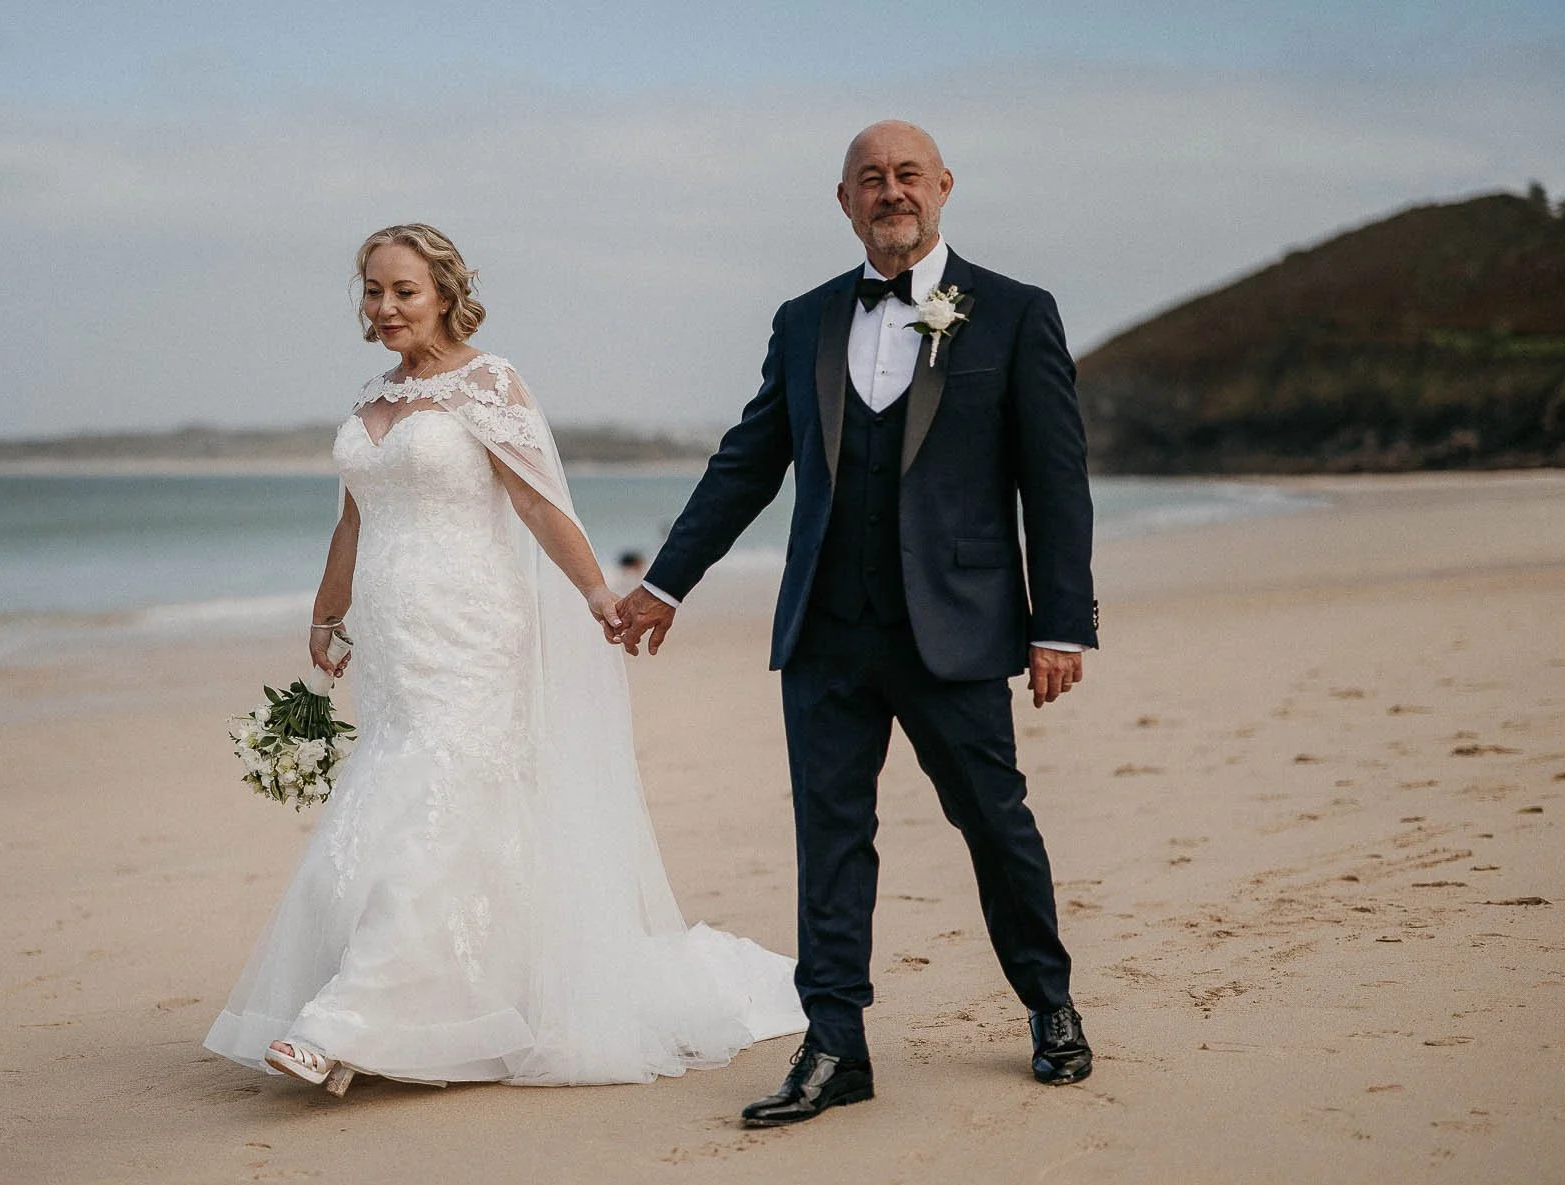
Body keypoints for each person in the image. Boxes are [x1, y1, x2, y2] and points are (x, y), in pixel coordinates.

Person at [204, 223, 804, 1094]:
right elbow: (352, 519)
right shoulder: (373, 395)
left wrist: (601, 592)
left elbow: (536, 500)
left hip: (473, 630)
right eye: (373, 290)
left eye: (404, 290)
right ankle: (424, 1001)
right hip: (391, 643)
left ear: (445, 292)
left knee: (436, 808)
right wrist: (326, 611)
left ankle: (345, 1018)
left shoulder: (489, 382)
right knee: (391, 802)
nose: (385, 307)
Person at [612, 122, 1100, 1127]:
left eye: (906, 175)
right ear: (842, 201)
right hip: (824, 632)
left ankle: (1048, 1005)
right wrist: (665, 582)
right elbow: (748, 461)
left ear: (942, 188)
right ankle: (835, 1044)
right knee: (829, 838)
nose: (890, 192)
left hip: (956, 628)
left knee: (990, 821)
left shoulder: (1011, 312)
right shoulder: (802, 322)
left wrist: (1061, 622)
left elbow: (1055, 482)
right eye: (869, 180)